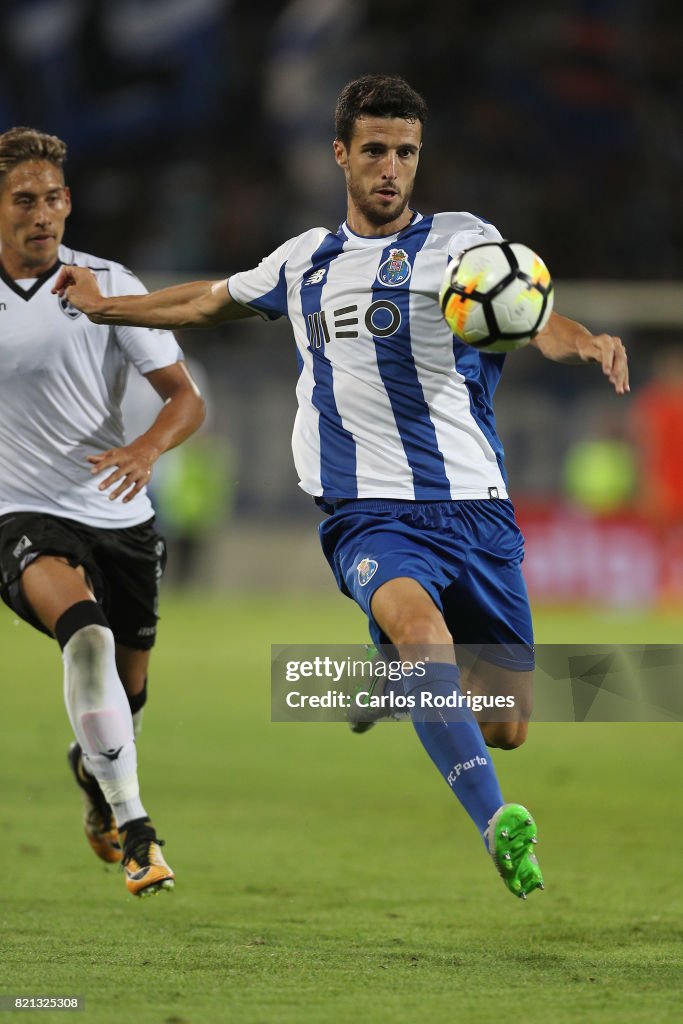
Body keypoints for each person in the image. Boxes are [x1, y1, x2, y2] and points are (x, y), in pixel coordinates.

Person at [54, 75, 629, 900]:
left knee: (505, 724)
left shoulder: (462, 241)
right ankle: (495, 823)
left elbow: (530, 313)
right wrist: (110, 309)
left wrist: (583, 341)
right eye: (374, 151)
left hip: (477, 511)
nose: (390, 168)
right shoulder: (303, 262)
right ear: (340, 155)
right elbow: (205, 301)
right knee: (421, 634)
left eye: (404, 152)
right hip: (370, 514)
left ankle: (386, 672)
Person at [0, 127, 205, 897]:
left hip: (118, 514)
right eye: (24, 200)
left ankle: (94, 781)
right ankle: (138, 830)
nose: (42, 214)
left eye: (53, 198)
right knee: (83, 637)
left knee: (130, 688)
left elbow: (186, 399)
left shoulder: (106, 284)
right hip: (20, 514)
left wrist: (147, 450)